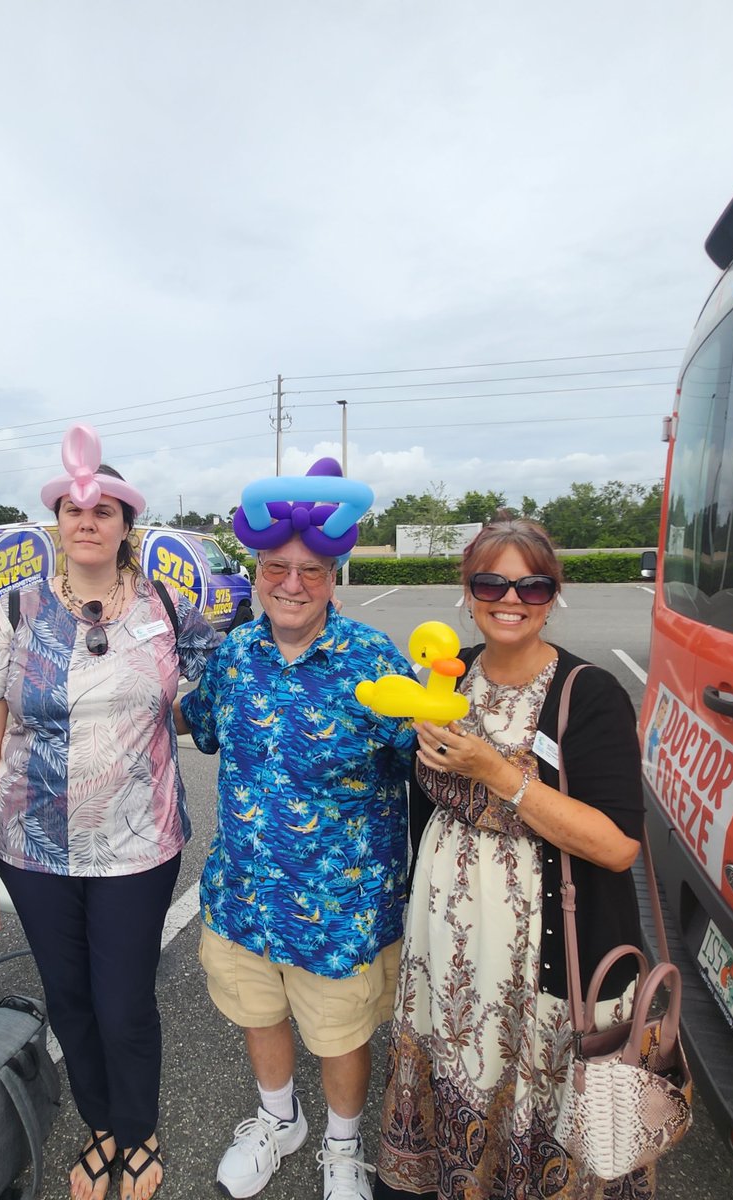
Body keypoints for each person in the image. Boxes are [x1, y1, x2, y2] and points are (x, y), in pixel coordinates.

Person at [0, 424, 221, 1200]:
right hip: (32, 847)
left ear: (126, 526)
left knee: (124, 999)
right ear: (57, 524)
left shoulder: (170, 609)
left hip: (139, 844)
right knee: (68, 996)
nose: (89, 521)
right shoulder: (16, 610)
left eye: (105, 511)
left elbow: (228, 691)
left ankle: (138, 1131)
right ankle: (101, 1126)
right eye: (76, 510)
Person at [374, 517, 653, 1200]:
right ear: (467, 592)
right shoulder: (453, 673)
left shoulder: (586, 694)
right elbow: (425, 801)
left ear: (553, 593)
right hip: (447, 945)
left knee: (538, 1092)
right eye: (491, 581)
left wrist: (500, 774)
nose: (510, 598)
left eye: (531, 584)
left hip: (540, 959)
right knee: (458, 1073)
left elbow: (618, 845)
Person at [175, 461, 418, 1200]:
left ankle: (343, 1148)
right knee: (258, 1012)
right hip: (245, 894)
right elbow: (201, 728)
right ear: (256, 571)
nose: (291, 583)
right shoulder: (235, 655)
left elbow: (427, 760)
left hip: (339, 906)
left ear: (333, 577)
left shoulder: (373, 659)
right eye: (276, 567)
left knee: (342, 1034)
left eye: (310, 571)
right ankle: (279, 1121)